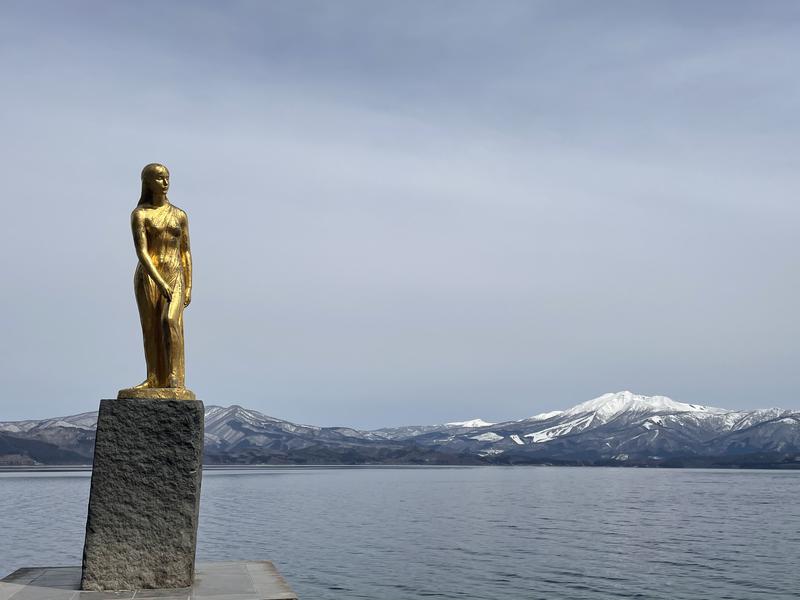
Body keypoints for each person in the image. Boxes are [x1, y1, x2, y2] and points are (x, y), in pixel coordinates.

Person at [119, 163, 194, 398]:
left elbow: (186, 252)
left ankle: (174, 378)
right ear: (148, 182)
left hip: (175, 275)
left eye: (167, 177)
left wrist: (189, 285)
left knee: (170, 320)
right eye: (160, 178)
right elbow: (142, 252)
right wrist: (160, 282)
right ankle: (153, 377)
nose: (165, 182)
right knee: (151, 327)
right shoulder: (140, 214)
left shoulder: (179, 215)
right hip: (149, 276)